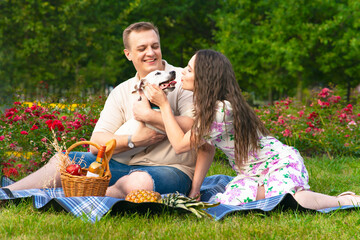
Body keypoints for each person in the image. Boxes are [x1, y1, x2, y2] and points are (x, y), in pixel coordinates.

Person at [143, 49, 360, 209]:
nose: (182, 72)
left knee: (288, 200)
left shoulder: (221, 109)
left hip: (278, 163)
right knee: (225, 203)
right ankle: (264, 192)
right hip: (251, 174)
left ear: (204, 77)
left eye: (189, 70)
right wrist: (195, 190)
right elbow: (206, 149)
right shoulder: (208, 107)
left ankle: (344, 200)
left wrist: (163, 106)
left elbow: (181, 145)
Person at [4, 22, 197, 199]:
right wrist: (133, 141)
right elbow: (96, 144)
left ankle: (78, 196)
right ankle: (8, 194)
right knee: (64, 160)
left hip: (171, 169)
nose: (151, 53)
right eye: (142, 48)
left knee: (138, 183)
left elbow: (194, 125)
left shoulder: (184, 79)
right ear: (128, 54)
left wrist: (150, 116)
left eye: (155, 46)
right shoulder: (122, 91)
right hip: (120, 166)